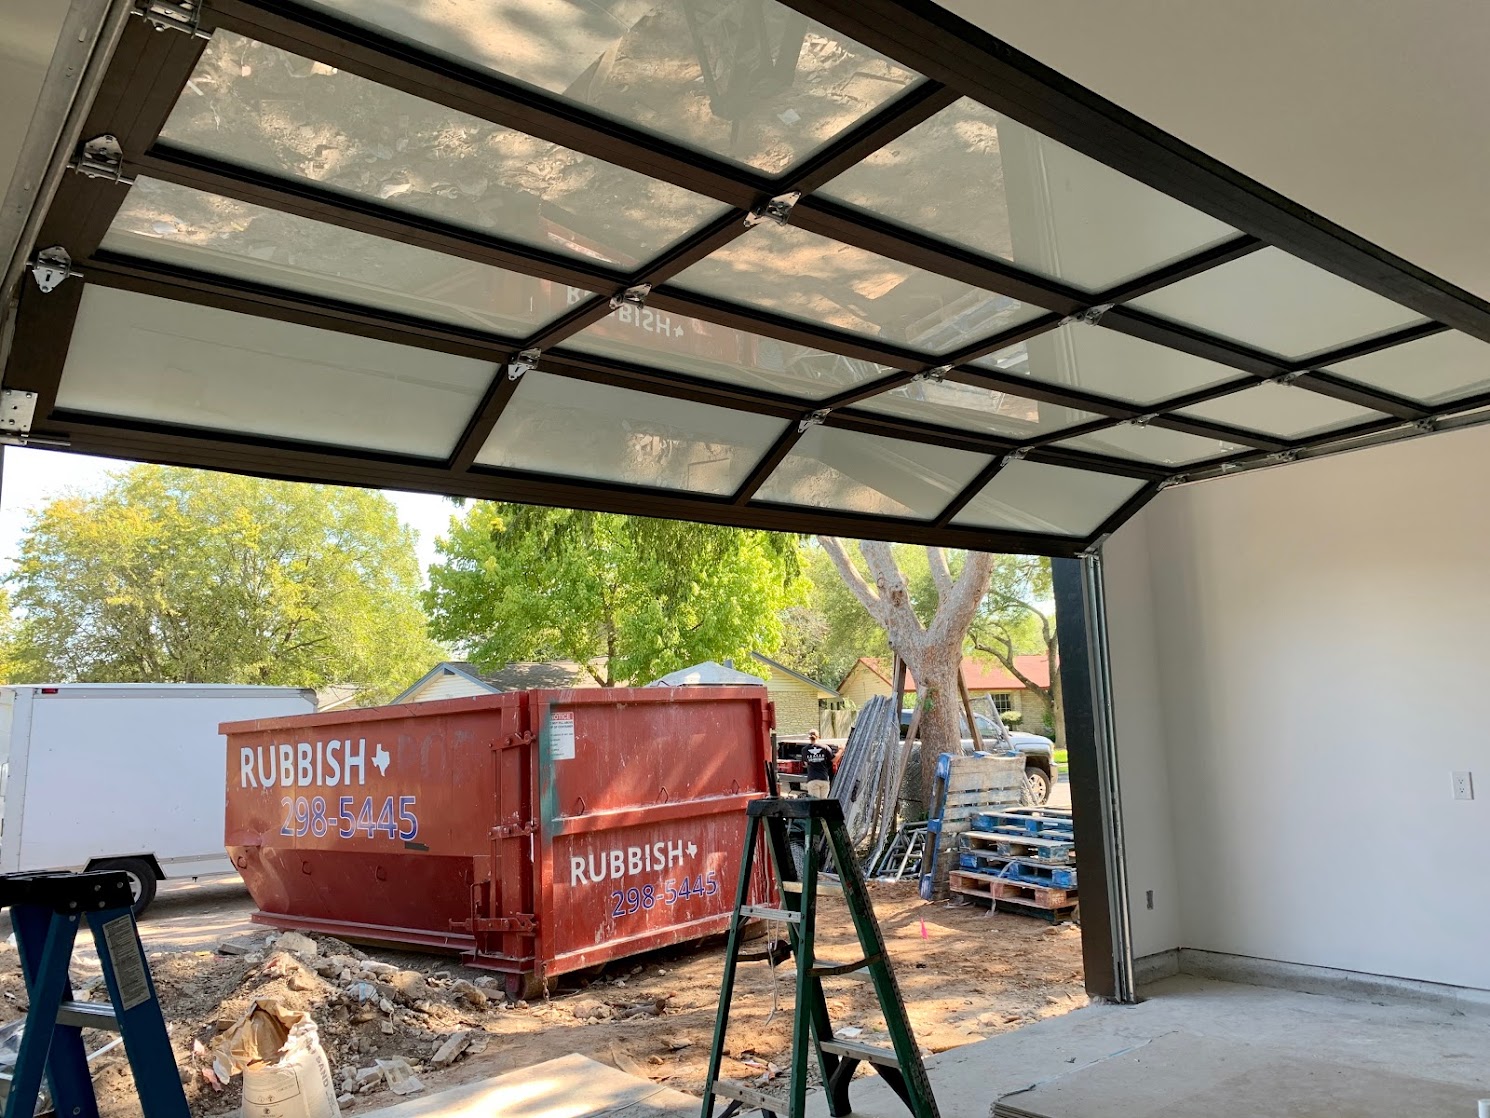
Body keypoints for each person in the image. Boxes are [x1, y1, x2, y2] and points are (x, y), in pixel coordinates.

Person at [802, 731, 837, 799]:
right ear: (819, 737)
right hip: (824, 779)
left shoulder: (805, 750)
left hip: (812, 780)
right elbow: (833, 760)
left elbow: (805, 763)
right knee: (823, 804)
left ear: (809, 738)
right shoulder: (825, 747)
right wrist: (841, 751)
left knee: (815, 804)